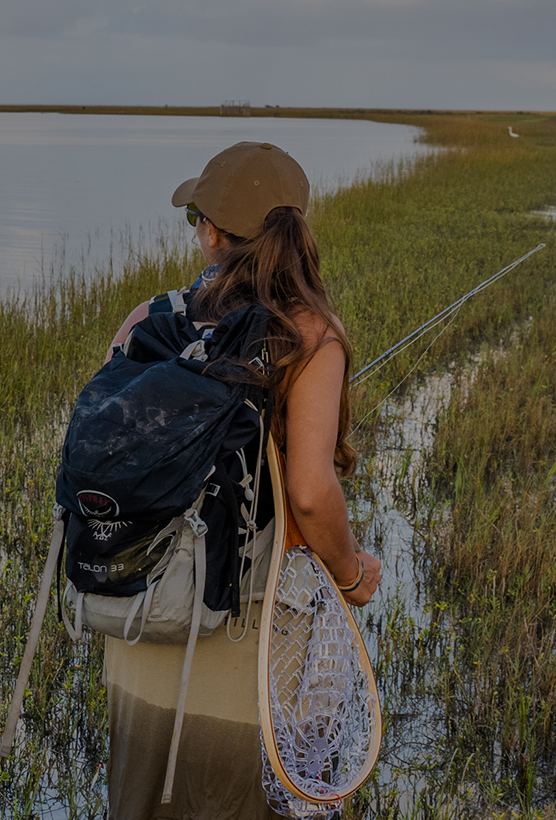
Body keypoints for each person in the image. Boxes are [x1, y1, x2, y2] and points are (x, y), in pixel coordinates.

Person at [100, 142, 383, 818]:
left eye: (196, 214)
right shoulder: (311, 335)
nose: (196, 229)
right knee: (238, 801)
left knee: (142, 801)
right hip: (247, 621)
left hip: (144, 611)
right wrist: (350, 575)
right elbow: (312, 494)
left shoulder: (150, 318)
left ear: (214, 231)